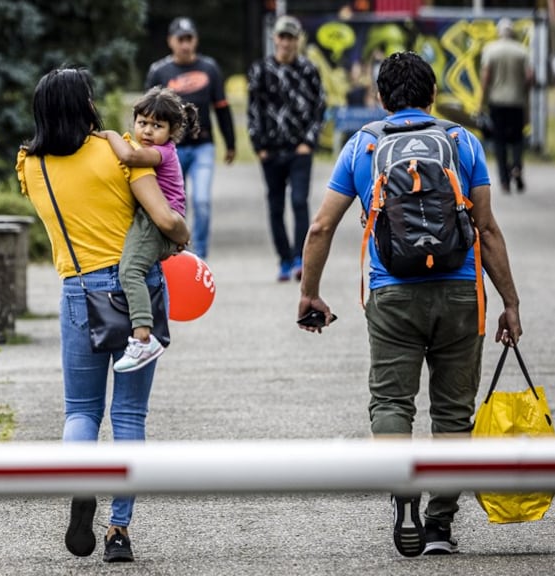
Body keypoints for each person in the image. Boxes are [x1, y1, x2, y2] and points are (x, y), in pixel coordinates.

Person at [298, 51, 522, 557]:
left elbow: (320, 227)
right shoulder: (462, 142)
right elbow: (485, 228)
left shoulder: (363, 144)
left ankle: (405, 501)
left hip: (391, 292)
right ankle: (440, 525)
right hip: (461, 291)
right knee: (453, 412)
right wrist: (510, 302)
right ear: (433, 95)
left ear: (381, 98)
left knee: (392, 403)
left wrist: (309, 292)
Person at [16, 68, 190, 563]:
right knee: (129, 413)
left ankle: (80, 479)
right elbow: (164, 218)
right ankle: (118, 529)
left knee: (80, 411)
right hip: (136, 292)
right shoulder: (118, 154)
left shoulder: (30, 164)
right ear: (86, 105)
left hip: (78, 293)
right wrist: (182, 233)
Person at [93, 87, 199, 373]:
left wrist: (110, 135)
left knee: (130, 270)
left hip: (158, 220)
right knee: (133, 268)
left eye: (157, 126)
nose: (148, 131)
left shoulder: (160, 152)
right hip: (154, 220)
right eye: (143, 123)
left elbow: (128, 158)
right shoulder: (154, 148)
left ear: (173, 130)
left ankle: (142, 336)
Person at [145, 16, 236, 261]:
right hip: (169, 150)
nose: (185, 44)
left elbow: (222, 107)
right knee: (171, 204)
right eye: (180, 39)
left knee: (202, 201)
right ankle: (173, 253)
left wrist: (231, 143)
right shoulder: (159, 71)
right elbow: (146, 114)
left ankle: (199, 256)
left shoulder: (209, 68)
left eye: (189, 39)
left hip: (202, 146)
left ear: (195, 40)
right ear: (170, 41)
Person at [247, 15, 325, 282]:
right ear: (275, 38)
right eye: (282, 37)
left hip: (299, 149)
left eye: (291, 37)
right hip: (271, 150)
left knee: (299, 201)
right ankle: (284, 259)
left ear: (297, 40)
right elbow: (253, 110)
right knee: (276, 206)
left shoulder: (308, 70)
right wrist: (259, 146)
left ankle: (300, 258)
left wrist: (309, 141)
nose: (286, 43)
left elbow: (319, 108)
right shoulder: (261, 70)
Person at [480, 17, 534, 193]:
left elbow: (486, 77)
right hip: (517, 101)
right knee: (517, 139)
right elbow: (529, 76)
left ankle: (504, 180)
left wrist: (481, 102)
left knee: (500, 141)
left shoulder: (490, 50)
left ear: (499, 32)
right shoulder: (522, 51)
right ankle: (517, 167)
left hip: (497, 102)